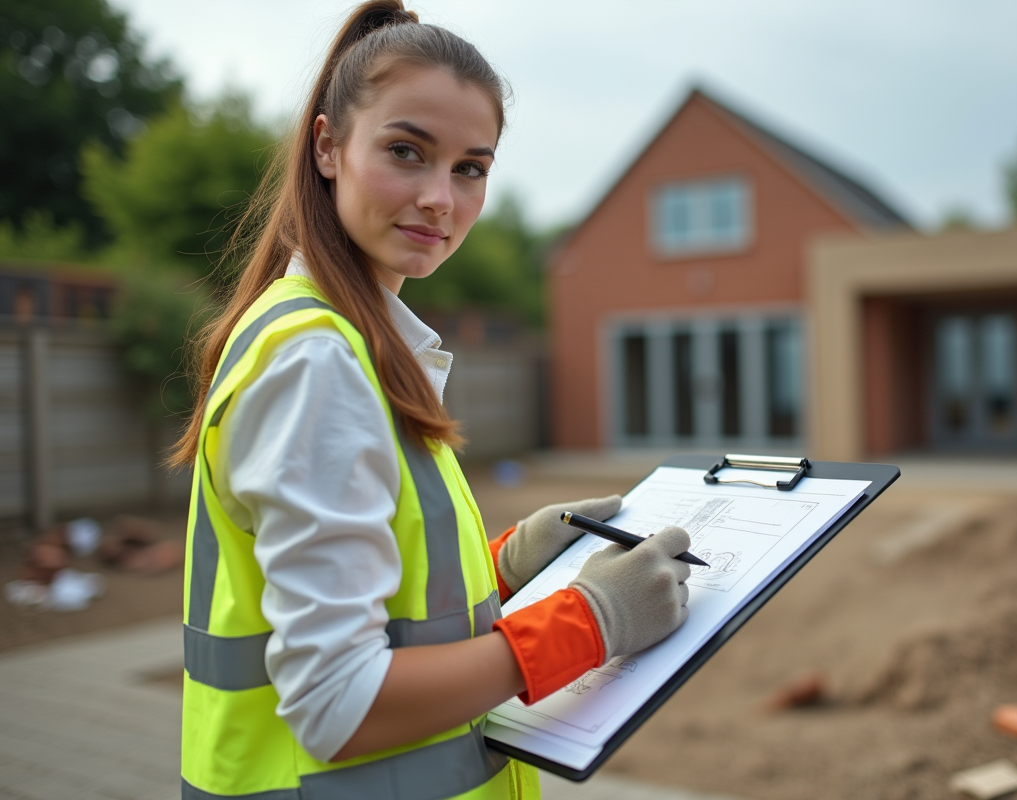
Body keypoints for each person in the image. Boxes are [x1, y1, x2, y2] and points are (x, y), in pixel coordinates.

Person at [168, 3, 692, 798]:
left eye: (470, 168)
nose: (440, 198)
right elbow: (338, 707)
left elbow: (372, 594)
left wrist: (505, 567)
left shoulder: (349, 343)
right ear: (327, 147)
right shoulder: (318, 362)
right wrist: (590, 621)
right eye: (407, 151)